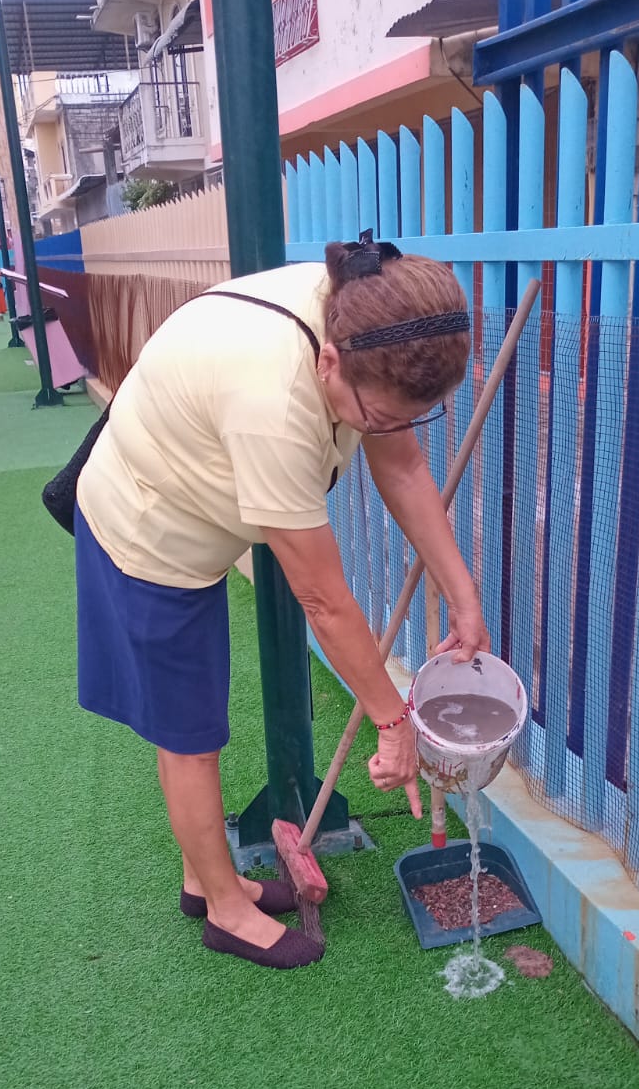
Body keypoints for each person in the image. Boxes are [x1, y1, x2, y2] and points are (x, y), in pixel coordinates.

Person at [74, 232, 489, 971]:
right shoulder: (271, 402)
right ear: (329, 363)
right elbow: (322, 599)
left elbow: (403, 465)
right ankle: (223, 908)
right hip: (147, 530)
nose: (381, 432)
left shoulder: (369, 318)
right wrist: (393, 722)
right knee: (189, 733)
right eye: (374, 416)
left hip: (189, 494)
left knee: (193, 721)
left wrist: (463, 595)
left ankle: (209, 877)